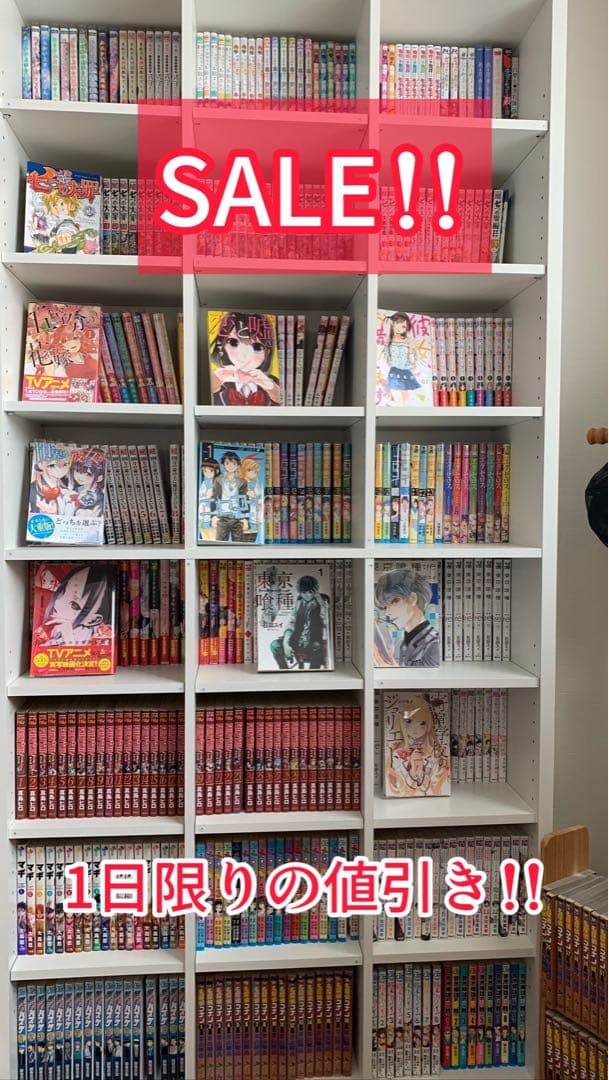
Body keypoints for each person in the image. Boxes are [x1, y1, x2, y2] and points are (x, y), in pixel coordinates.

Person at [385, 693, 450, 797]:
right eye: (409, 721)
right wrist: (412, 772)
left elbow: (437, 789)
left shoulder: (436, 753)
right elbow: (397, 788)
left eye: (422, 723)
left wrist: (420, 773)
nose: (415, 728)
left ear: (428, 724)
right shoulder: (396, 753)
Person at [210, 311, 280, 405]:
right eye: (233, 343)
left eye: (257, 347)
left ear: (268, 351)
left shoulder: (274, 384)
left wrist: (272, 388)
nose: (244, 355)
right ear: (222, 346)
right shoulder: (216, 381)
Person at [374, 565, 440, 667]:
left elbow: (426, 674)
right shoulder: (403, 641)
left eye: (394, 601)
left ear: (412, 599)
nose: (387, 613)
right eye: (385, 607)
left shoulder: (433, 643)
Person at [270, 574, 331, 670]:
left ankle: (313, 672)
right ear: (300, 592)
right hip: (297, 640)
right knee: (274, 645)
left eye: (310, 592)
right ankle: (284, 670)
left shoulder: (322, 603)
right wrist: (286, 643)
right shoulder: (298, 602)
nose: (308, 595)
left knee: (317, 646)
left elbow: (326, 622)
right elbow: (291, 623)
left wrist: (320, 601)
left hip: (312, 642)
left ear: (315, 591)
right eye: (304, 592)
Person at [210, 451, 249, 542]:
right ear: (223, 465)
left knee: (239, 543)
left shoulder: (242, 482)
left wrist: (245, 518)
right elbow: (214, 498)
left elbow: (244, 500)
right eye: (227, 463)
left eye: (234, 463)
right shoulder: (218, 480)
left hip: (237, 517)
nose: (230, 466)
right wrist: (213, 516)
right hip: (222, 517)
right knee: (220, 542)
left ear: (238, 465)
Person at [382, 311, 420, 402]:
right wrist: (387, 345)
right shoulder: (388, 341)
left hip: (406, 371)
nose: (399, 328)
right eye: (397, 324)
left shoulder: (409, 341)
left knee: (406, 398)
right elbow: (387, 360)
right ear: (392, 324)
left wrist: (410, 350)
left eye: (403, 326)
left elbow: (413, 361)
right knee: (394, 398)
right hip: (394, 371)